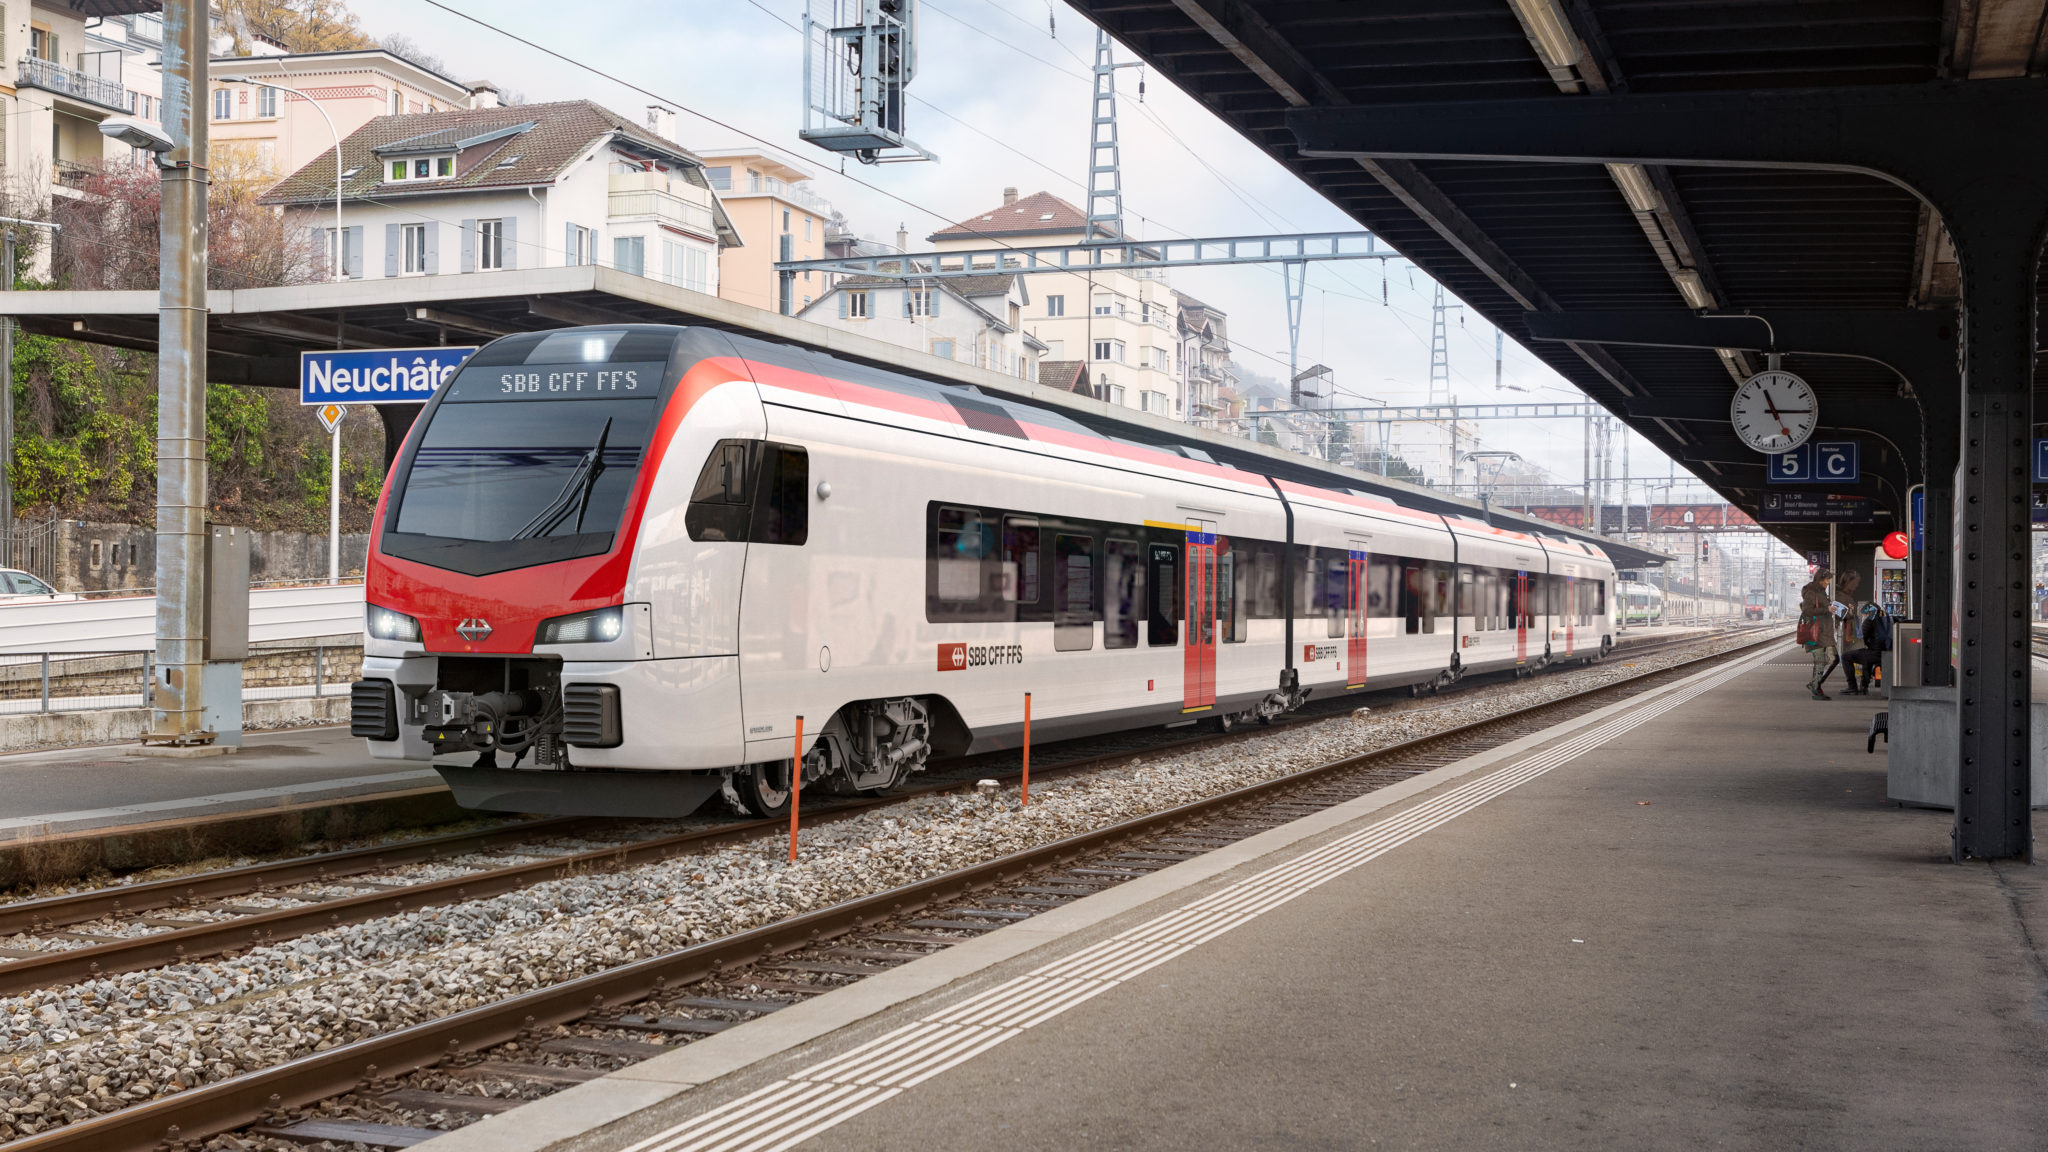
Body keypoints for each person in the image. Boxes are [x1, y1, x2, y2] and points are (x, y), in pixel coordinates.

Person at [1799, 569, 1838, 700]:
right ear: (1820, 579)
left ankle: (1815, 684)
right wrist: (1825, 609)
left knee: (1830, 659)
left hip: (1825, 631)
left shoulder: (1821, 592)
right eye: (1826, 580)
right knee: (1821, 660)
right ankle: (1815, 687)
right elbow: (1807, 610)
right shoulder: (1811, 593)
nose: (1828, 582)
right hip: (1817, 632)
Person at [1841, 601, 1892, 695]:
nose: (1865, 616)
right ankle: (1864, 686)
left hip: (1876, 654)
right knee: (1864, 654)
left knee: (1846, 657)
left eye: (1865, 614)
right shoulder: (1887, 618)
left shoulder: (1870, 620)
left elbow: (1860, 638)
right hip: (1888, 653)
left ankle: (1852, 687)